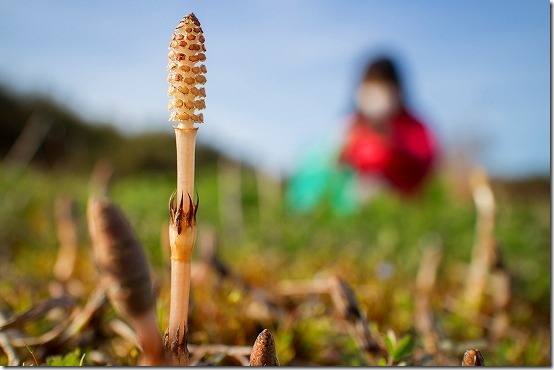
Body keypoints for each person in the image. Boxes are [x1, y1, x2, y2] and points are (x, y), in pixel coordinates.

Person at [338, 57, 438, 196]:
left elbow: (427, 162)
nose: (375, 96)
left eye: (383, 86)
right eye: (371, 86)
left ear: (396, 90)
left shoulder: (412, 126)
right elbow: (336, 166)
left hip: (403, 199)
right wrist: (344, 149)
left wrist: (391, 140)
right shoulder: (352, 125)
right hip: (353, 202)